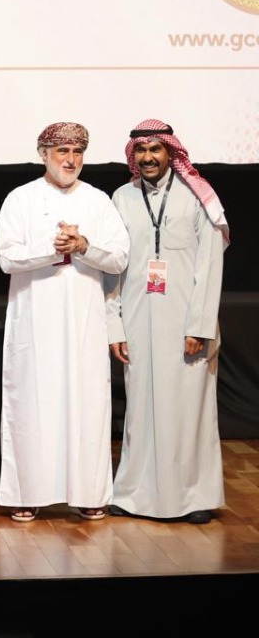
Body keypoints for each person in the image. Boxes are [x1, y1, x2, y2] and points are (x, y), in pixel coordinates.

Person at [0, 122, 129, 522]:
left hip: (83, 323)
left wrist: (85, 246)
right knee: (32, 403)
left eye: (76, 152)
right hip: (34, 320)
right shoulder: (20, 199)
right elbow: (6, 257)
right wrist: (53, 250)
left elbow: (120, 257)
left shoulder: (98, 201)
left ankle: (89, 492)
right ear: (44, 155)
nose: (70, 160)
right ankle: (27, 492)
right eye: (62, 152)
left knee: (86, 404)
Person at [107, 119, 227, 524]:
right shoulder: (122, 197)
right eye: (140, 151)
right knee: (140, 409)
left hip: (184, 322)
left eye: (155, 149)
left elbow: (211, 265)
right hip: (138, 318)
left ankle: (192, 498)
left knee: (186, 408)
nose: (147, 157)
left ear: (172, 153)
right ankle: (134, 495)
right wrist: (115, 326)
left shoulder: (198, 196)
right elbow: (114, 270)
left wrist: (199, 326)